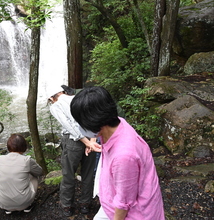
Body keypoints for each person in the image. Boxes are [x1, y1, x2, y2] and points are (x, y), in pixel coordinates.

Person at [70, 86, 165, 220]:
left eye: (81, 122)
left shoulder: (124, 156)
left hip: (134, 215)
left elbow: (123, 203)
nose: (80, 126)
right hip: (111, 204)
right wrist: (94, 142)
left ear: (93, 121)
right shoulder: (118, 124)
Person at [48, 85, 101, 217]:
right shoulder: (79, 97)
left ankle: (67, 206)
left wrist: (86, 142)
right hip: (90, 137)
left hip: (74, 142)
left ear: (51, 97)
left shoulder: (55, 106)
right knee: (88, 173)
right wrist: (92, 141)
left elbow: (69, 126)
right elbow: (94, 117)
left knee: (68, 174)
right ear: (63, 92)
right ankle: (85, 204)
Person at [0, 134, 43, 214]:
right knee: (33, 176)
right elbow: (39, 172)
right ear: (24, 146)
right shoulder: (27, 160)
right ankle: (28, 206)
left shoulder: (0, 159)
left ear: (8, 146)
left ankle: (8, 208)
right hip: (23, 202)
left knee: (1, 178)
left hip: (3, 203)